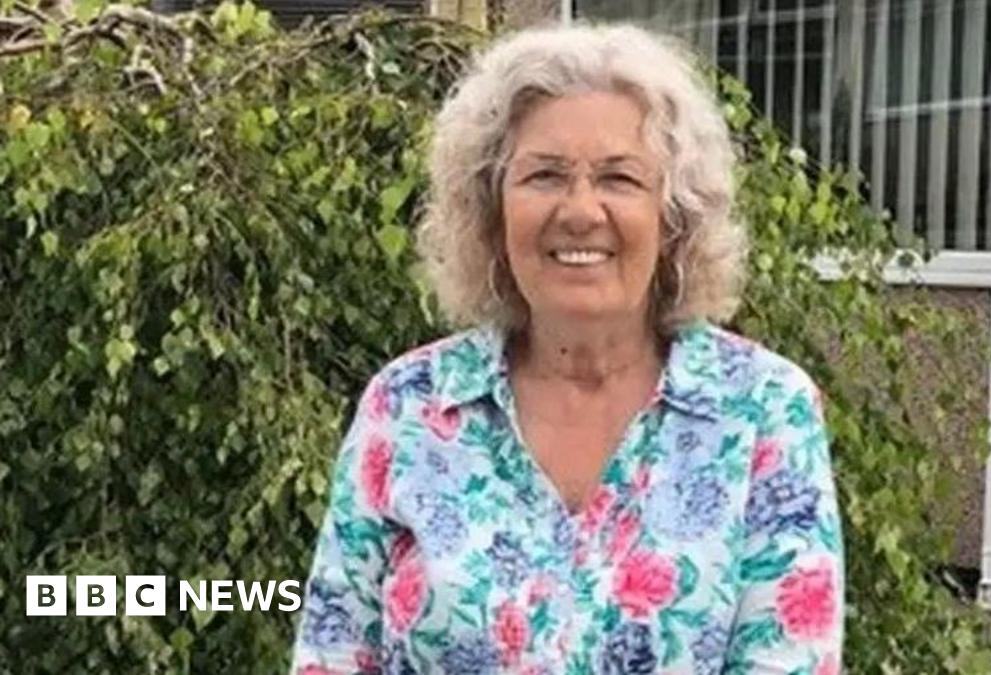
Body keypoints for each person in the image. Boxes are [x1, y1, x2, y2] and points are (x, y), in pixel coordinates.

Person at [290, 21, 843, 675]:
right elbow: (332, 652)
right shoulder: (408, 407)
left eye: (619, 179)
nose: (581, 210)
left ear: (674, 218)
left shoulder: (763, 411)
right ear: (491, 212)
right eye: (545, 175)